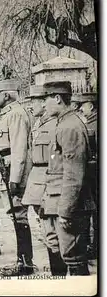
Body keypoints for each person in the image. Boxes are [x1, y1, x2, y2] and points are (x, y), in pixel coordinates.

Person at [41, 81, 93, 275]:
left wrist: (65, 211)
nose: (43, 104)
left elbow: (73, 174)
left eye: (45, 99)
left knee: (73, 256)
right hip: (58, 199)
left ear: (57, 98)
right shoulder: (64, 123)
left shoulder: (70, 127)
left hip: (71, 204)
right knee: (61, 251)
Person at [0, 79, 34, 276]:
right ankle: (22, 260)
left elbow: (18, 149)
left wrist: (15, 178)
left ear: (6, 95)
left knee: (18, 215)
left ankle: (25, 263)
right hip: (5, 170)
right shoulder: (8, 113)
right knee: (14, 215)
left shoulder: (16, 114)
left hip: (11, 173)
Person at [22, 85, 62, 273]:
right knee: (46, 230)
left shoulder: (55, 124)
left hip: (50, 183)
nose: (30, 106)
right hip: (37, 182)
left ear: (45, 102)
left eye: (34, 101)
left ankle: (62, 276)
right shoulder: (38, 124)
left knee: (54, 232)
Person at [71, 92, 98, 260]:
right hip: (90, 175)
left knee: (96, 213)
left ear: (92, 106)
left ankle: (95, 248)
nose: (81, 108)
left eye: (84, 105)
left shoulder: (96, 123)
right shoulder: (87, 122)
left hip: (95, 175)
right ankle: (90, 245)